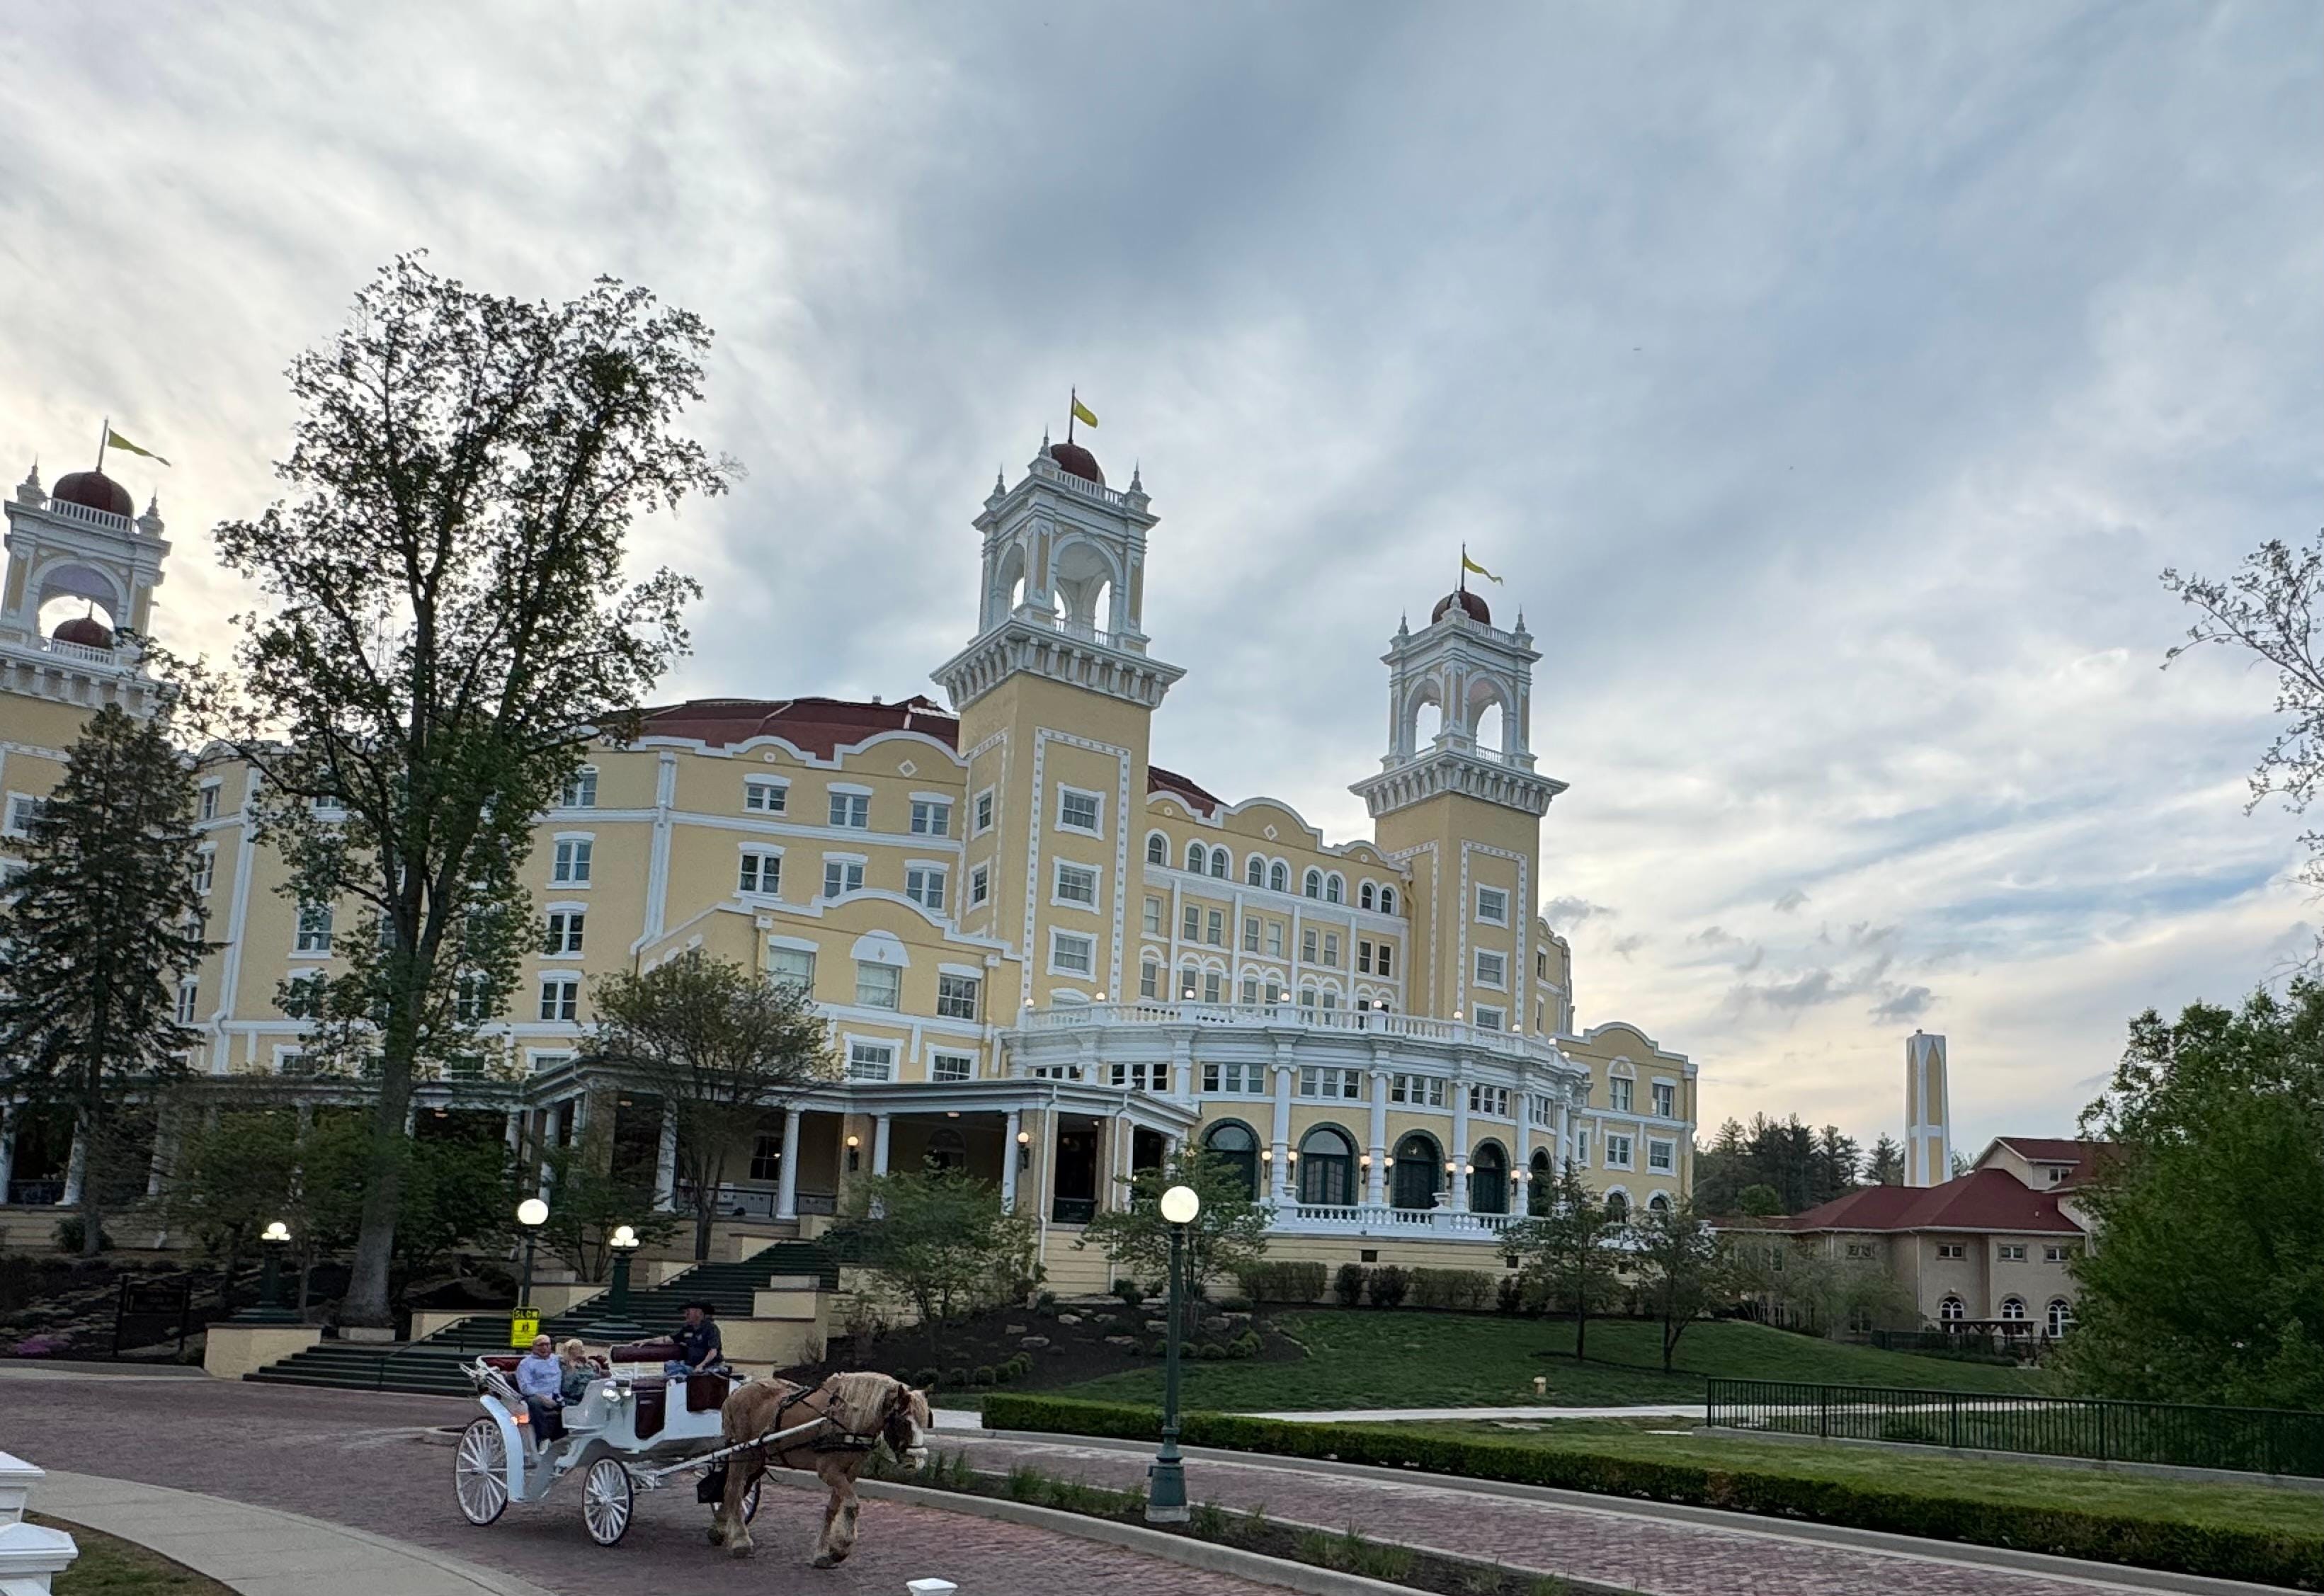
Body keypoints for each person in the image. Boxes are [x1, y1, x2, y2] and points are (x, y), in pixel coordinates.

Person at [514, 1333, 566, 1444]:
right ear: (533, 1347)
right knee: (534, 1402)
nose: (544, 1348)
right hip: (536, 1396)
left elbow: (572, 1358)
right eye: (541, 1345)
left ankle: (562, 1440)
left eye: (547, 1345)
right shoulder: (526, 1364)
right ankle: (543, 1439)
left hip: (557, 1396)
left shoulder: (556, 1359)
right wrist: (543, 1398)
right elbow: (525, 1387)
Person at [664, 1300, 723, 1377]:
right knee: (670, 1365)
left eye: (688, 1312)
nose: (685, 1315)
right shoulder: (687, 1328)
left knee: (708, 1374)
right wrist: (647, 1341)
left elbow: (713, 1351)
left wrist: (701, 1365)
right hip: (690, 1365)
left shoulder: (711, 1328)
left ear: (699, 1313)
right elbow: (670, 1338)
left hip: (708, 1366)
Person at [557, 1338, 594, 1404]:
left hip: (585, 1396)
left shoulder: (587, 1365)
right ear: (571, 1350)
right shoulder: (561, 1364)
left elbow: (591, 1379)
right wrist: (571, 1369)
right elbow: (565, 1387)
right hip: (566, 1398)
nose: (583, 1350)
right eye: (579, 1348)